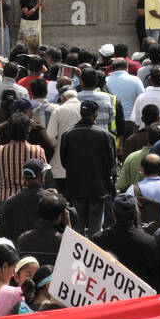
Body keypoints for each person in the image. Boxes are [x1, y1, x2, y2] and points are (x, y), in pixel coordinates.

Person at [59, 100, 116, 237]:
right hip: (98, 188)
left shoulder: (68, 134)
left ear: (81, 112)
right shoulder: (105, 135)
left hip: (76, 187)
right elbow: (111, 163)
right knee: (96, 227)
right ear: (95, 114)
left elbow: (64, 162)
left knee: (77, 224)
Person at [95, 194, 160, 290]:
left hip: (109, 297)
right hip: (139, 300)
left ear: (113, 213)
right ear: (136, 213)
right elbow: (155, 275)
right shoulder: (149, 242)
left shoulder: (98, 240)